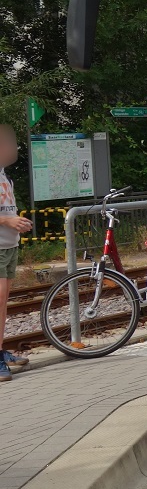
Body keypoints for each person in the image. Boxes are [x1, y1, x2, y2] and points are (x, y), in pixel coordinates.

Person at [0, 123, 33, 382]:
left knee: (4, 303)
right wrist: (8, 222)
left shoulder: (4, 175)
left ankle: (1, 351)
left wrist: (16, 222)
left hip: (9, 245)